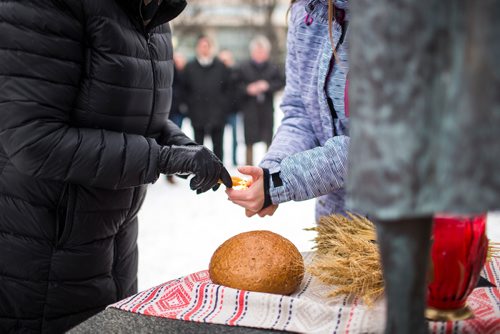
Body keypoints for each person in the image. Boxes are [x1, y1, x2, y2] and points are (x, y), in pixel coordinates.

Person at [0, 1, 232, 333]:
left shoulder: (154, 15)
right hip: (43, 251)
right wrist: (163, 159)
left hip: (116, 239)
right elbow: (32, 140)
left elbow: (135, 115)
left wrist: (184, 148)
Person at [227, 0, 350, 222]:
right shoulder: (304, 13)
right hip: (338, 222)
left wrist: (281, 181)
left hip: (409, 221)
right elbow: (301, 113)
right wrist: (270, 170)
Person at [236, 35, 284, 165]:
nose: (259, 53)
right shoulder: (243, 66)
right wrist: (247, 89)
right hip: (249, 108)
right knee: (249, 139)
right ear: (252, 52)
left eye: (262, 51)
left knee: (268, 138)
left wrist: (268, 86)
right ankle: (248, 167)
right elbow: (235, 85)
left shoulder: (273, 67)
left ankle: (268, 166)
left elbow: (281, 82)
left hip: (266, 108)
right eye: (257, 51)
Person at [183, 35, 231, 161]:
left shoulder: (220, 67)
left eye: (207, 46)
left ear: (211, 48)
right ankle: (200, 175)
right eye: (201, 46)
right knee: (198, 149)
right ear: (197, 48)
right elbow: (184, 89)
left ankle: (218, 175)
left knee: (218, 148)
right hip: (197, 114)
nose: (204, 49)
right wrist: (190, 107)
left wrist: (223, 106)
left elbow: (228, 89)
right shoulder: (190, 67)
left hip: (217, 114)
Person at [218, 48, 241, 166]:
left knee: (235, 137)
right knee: (220, 137)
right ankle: (220, 159)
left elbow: (237, 90)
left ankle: (234, 159)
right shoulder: (218, 72)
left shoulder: (235, 71)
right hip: (221, 111)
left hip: (233, 110)